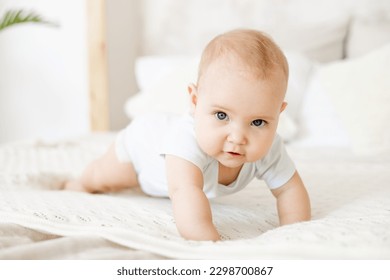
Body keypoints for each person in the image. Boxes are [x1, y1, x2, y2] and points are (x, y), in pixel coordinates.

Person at [64, 29, 311, 241]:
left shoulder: (271, 148)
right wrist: (209, 244)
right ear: (195, 100)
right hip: (142, 149)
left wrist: (294, 233)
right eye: (222, 116)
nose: (237, 137)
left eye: (258, 122)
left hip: (157, 147)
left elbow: (289, 190)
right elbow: (186, 193)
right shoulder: (185, 141)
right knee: (103, 177)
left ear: (278, 114)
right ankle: (77, 183)